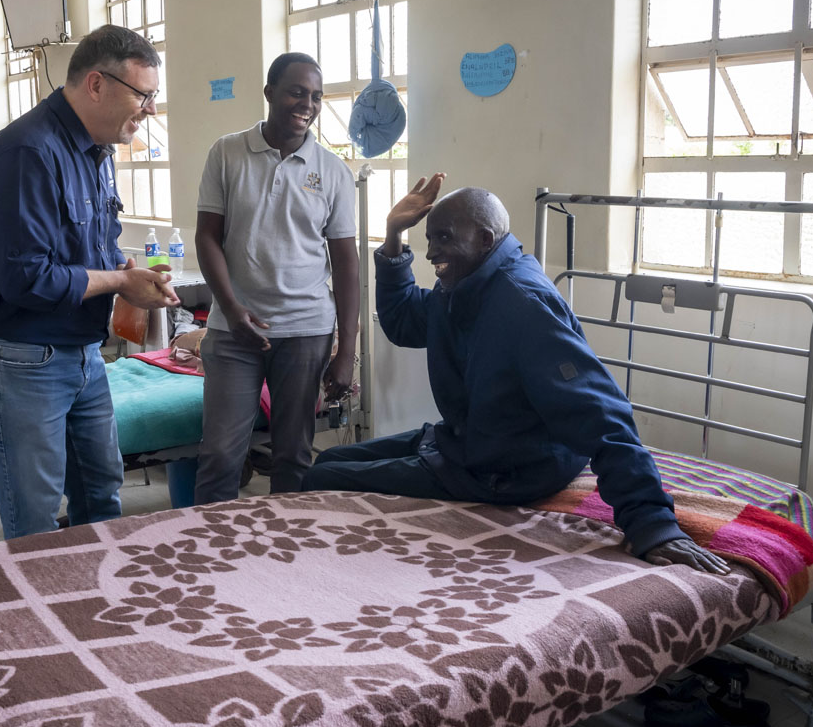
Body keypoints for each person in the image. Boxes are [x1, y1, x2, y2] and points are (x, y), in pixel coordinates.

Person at [301, 176, 729, 575]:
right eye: (428, 239)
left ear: (485, 239)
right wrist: (394, 234)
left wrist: (653, 524)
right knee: (332, 460)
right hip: (473, 446)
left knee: (321, 478)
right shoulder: (464, 288)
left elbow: (600, 412)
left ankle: (332, 575)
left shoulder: (521, 303)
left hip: (511, 469)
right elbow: (403, 321)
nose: (431, 252)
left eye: (443, 239)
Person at [0, 25, 180, 540]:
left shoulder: (98, 150)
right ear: (96, 85)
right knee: (35, 507)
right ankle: (37, 608)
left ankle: (92, 597)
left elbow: (92, 243)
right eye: (143, 96)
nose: (149, 110)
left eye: (153, 97)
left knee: (102, 485)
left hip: (79, 347)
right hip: (20, 347)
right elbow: (26, 279)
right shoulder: (26, 152)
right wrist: (119, 283)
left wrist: (127, 275)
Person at [193, 52, 359, 504]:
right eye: (297, 92)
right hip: (233, 333)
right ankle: (210, 556)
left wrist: (347, 352)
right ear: (269, 93)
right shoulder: (227, 153)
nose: (308, 104)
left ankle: (285, 559)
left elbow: (346, 263)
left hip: (306, 331)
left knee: (293, 457)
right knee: (221, 457)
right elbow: (207, 237)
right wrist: (230, 307)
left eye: (317, 97)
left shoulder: (333, 172)